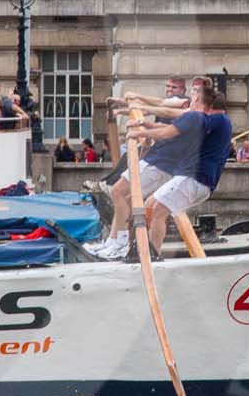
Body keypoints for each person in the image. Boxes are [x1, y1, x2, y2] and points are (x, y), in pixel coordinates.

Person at [90, 81, 228, 261]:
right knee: (148, 205)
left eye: (194, 95)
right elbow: (168, 123)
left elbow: (167, 125)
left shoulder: (211, 119)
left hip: (194, 178)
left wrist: (140, 132)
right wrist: (141, 122)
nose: (189, 100)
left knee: (155, 209)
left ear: (204, 103)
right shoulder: (202, 119)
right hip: (187, 176)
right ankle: (135, 248)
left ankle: (149, 254)